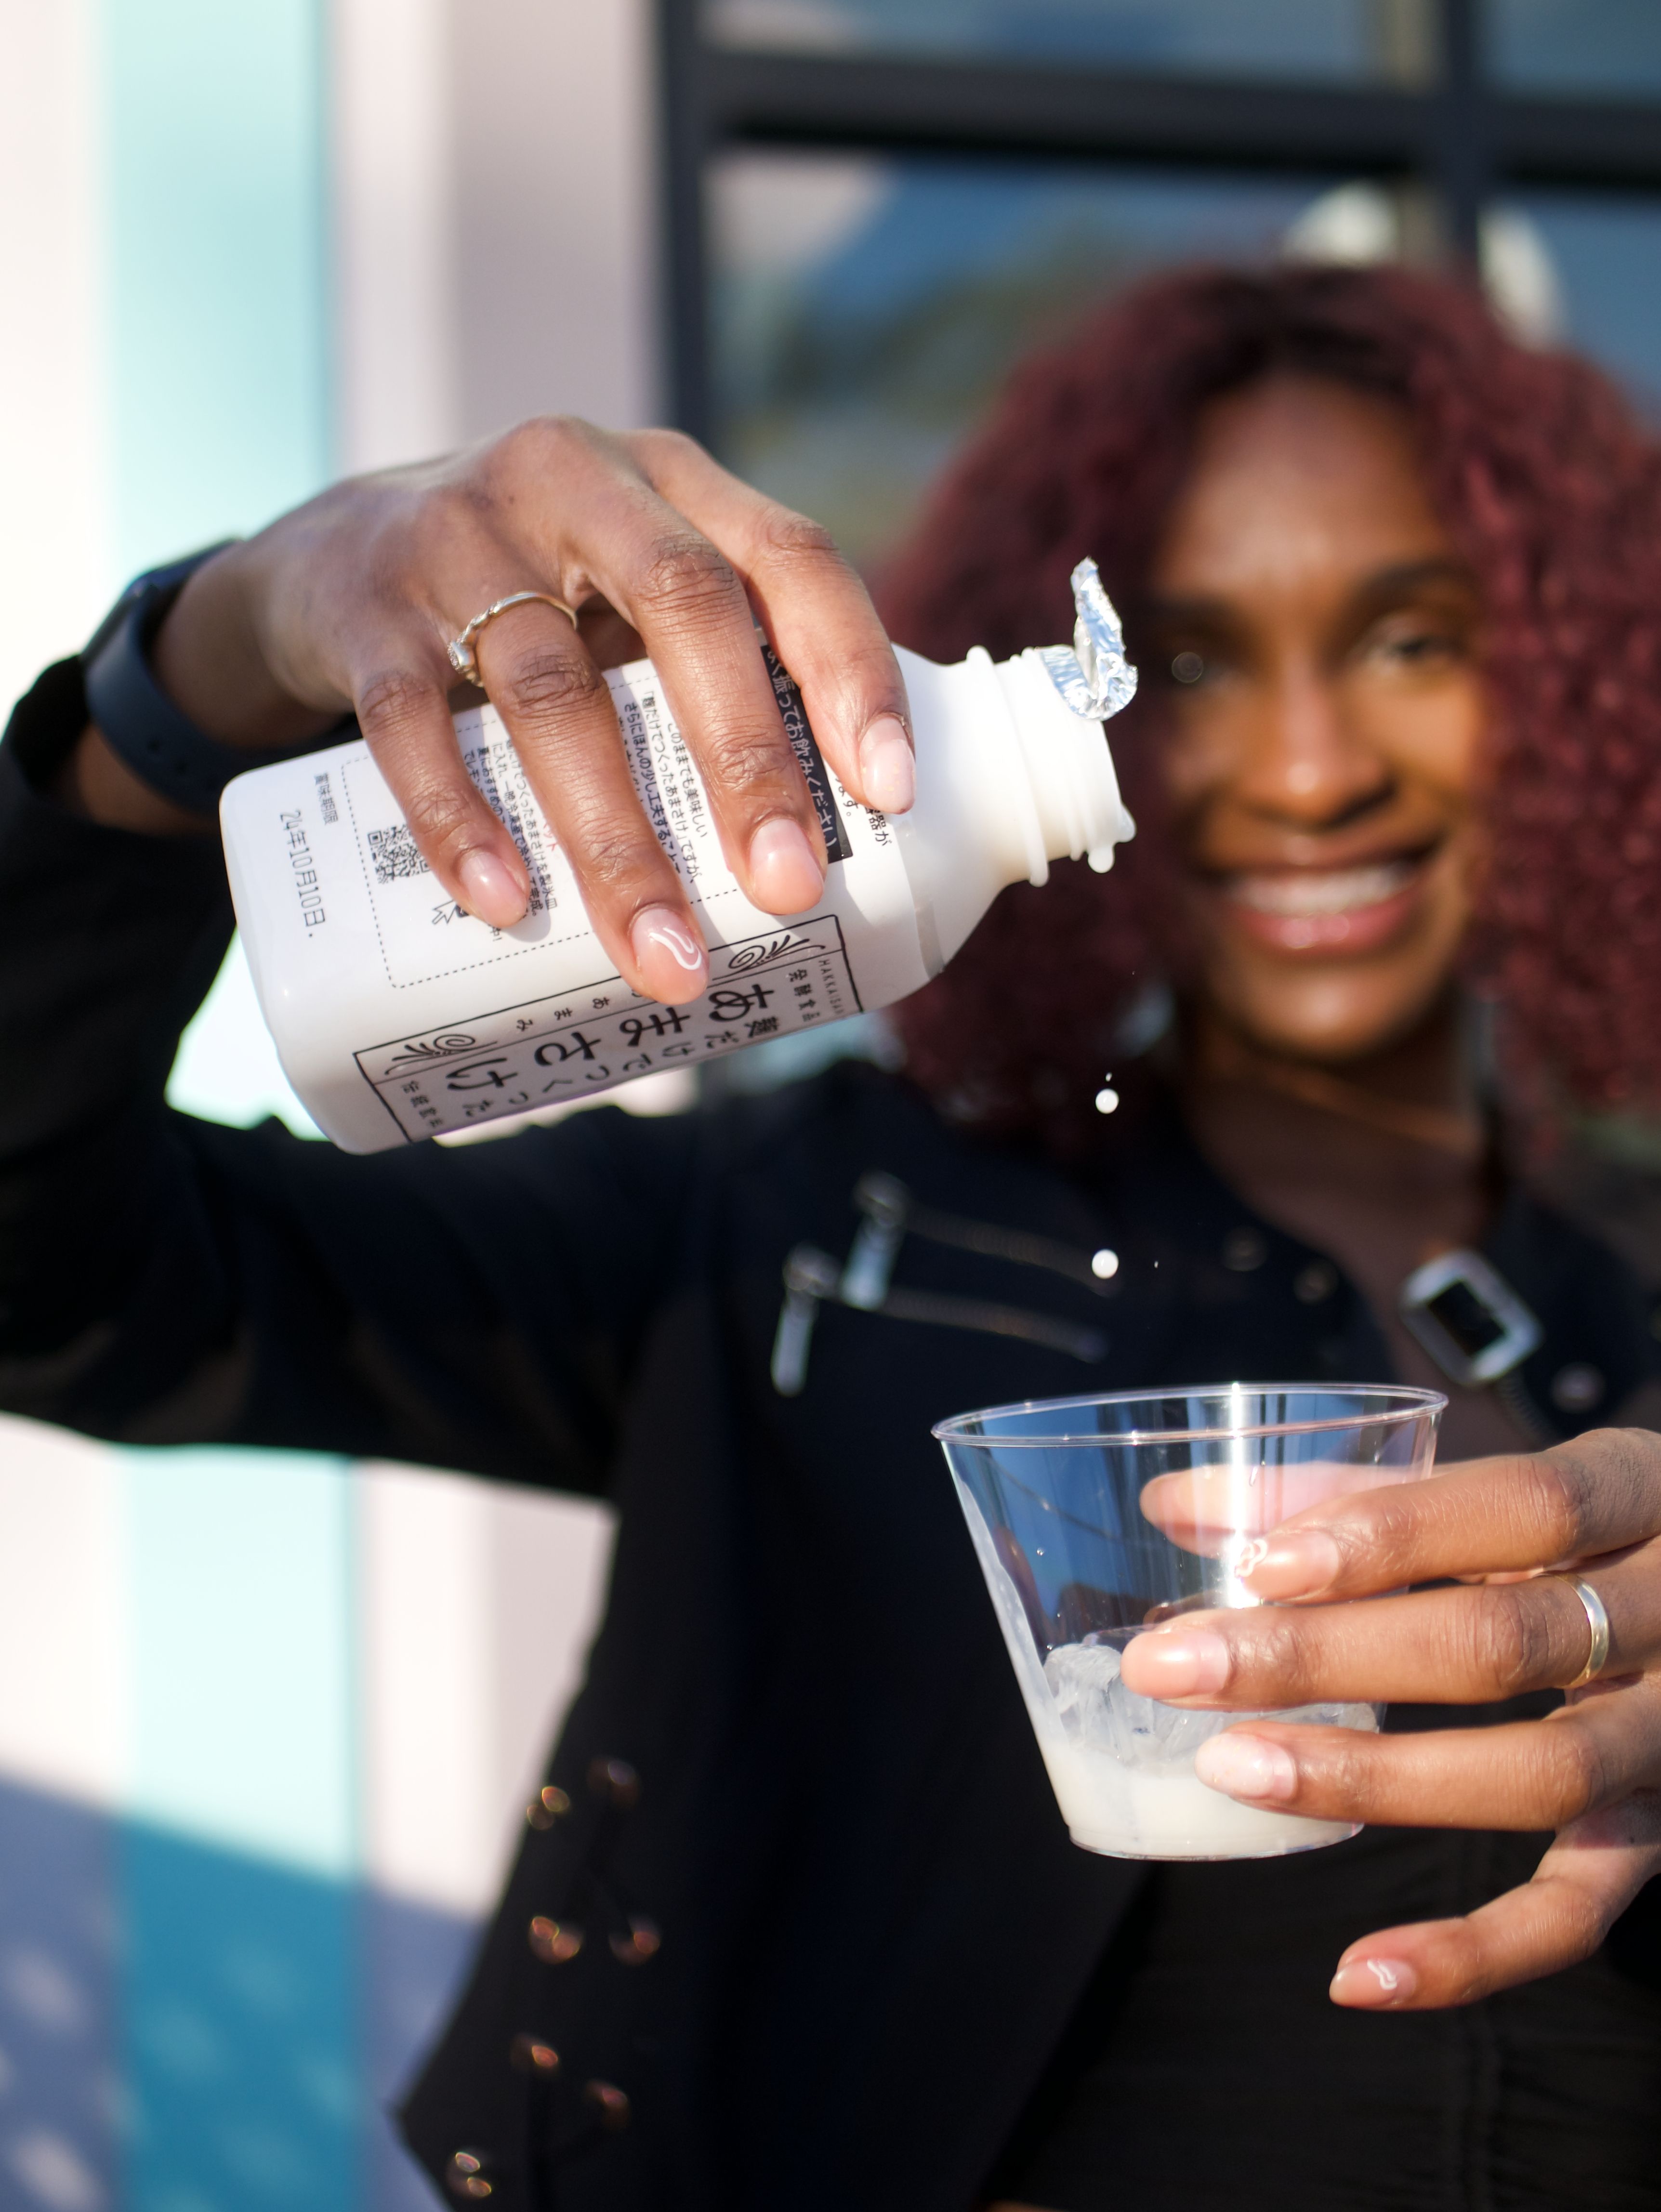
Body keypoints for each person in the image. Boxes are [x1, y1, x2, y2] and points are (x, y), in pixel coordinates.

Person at [3, 262, 1661, 2211]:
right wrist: (199, 668)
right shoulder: (802, 1234)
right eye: (1194, 661)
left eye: (1407, 638)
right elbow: (62, 1275)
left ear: (1564, 680)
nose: (1309, 769)